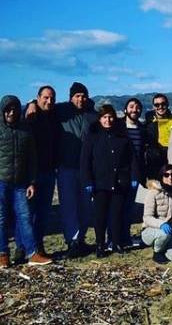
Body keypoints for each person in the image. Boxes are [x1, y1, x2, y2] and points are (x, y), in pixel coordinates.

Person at [0, 95, 52, 267]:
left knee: (25, 217)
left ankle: (32, 253)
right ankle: (3, 254)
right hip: (2, 181)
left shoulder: (25, 130)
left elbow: (32, 158)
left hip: (21, 183)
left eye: (14, 109)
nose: (11, 112)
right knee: (1, 218)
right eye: (8, 109)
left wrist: (31, 182)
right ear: (3, 111)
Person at [80, 105, 139, 258]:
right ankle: (100, 245)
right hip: (100, 183)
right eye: (104, 117)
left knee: (116, 214)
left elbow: (132, 159)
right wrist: (87, 181)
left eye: (110, 117)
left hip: (120, 182)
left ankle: (116, 242)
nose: (108, 120)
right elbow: (85, 161)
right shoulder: (92, 137)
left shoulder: (122, 136)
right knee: (100, 216)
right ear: (100, 119)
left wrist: (133, 177)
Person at [54, 82, 97, 258]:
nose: (80, 99)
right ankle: (72, 242)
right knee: (68, 206)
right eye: (77, 96)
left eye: (83, 96)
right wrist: (33, 103)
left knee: (86, 207)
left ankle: (81, 240)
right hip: (66, 167)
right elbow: (44, 107)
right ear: (71, 97)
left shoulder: (92, 116)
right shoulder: (61, 112)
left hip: (86, 169)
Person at [24, 86, 59, 256]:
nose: (49, 101)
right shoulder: (29, 114)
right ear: (38, 97)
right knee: (27, 213)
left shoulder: (54, 114)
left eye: (52, 98)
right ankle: (23, 248)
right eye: (45, 97)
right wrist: (30, 103)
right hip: (31, 173)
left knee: (43, 213)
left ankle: (38, 246)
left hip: (49, 171)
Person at [142, 164, 172, 264]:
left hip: (170, 230)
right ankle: (157, 252)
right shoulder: (153, 192)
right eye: (166, 175)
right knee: (164, 234)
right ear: (161, 177)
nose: (170, 177)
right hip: (152, 229)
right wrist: (161, 224)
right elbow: (147, 217)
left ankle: (163, 246)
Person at [116, 98, 147, 248]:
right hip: (119, 172)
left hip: (135, 173)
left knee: (129, 207)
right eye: (131, 107)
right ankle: (114, 237)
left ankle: (125, 237)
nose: (135, 110)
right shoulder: (118, 126)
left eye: (137, 107)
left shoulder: (142, 128)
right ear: (125, 109)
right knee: (116, 206)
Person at [145, 93, 172, 180]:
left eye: (163, 104)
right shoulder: (148, 123)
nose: (160, 107)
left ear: (167, 104)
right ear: (153, 107)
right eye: (157, 105)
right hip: (155, 162)